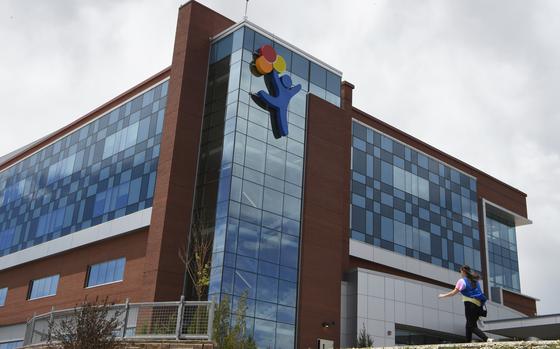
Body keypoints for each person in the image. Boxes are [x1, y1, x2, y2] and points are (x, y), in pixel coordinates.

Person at [438, 265, 493, 343]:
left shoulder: (462, 281)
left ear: (463, 271)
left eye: (460, 271)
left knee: (471, 326)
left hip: (470, 305)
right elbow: (480, 293)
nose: (460, 273)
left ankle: (486, 339)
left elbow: (453, 293)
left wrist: (443, 295)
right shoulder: (475, 281)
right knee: (468, 325)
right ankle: (468, 343)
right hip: (478, 305)